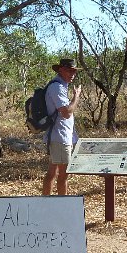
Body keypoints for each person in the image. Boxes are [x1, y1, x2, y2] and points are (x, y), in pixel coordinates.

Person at [42, 58, 81, 195]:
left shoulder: (60, 86)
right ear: (60, 70)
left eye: (74, 71)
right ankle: (61, 208)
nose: (72, 74)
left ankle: (45, 204)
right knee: (63, 176)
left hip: (59, 136)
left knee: (52, 173)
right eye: (69, 71)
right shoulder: (57, 87)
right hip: (60, 137)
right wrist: (76, 97)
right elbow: (66, 112)